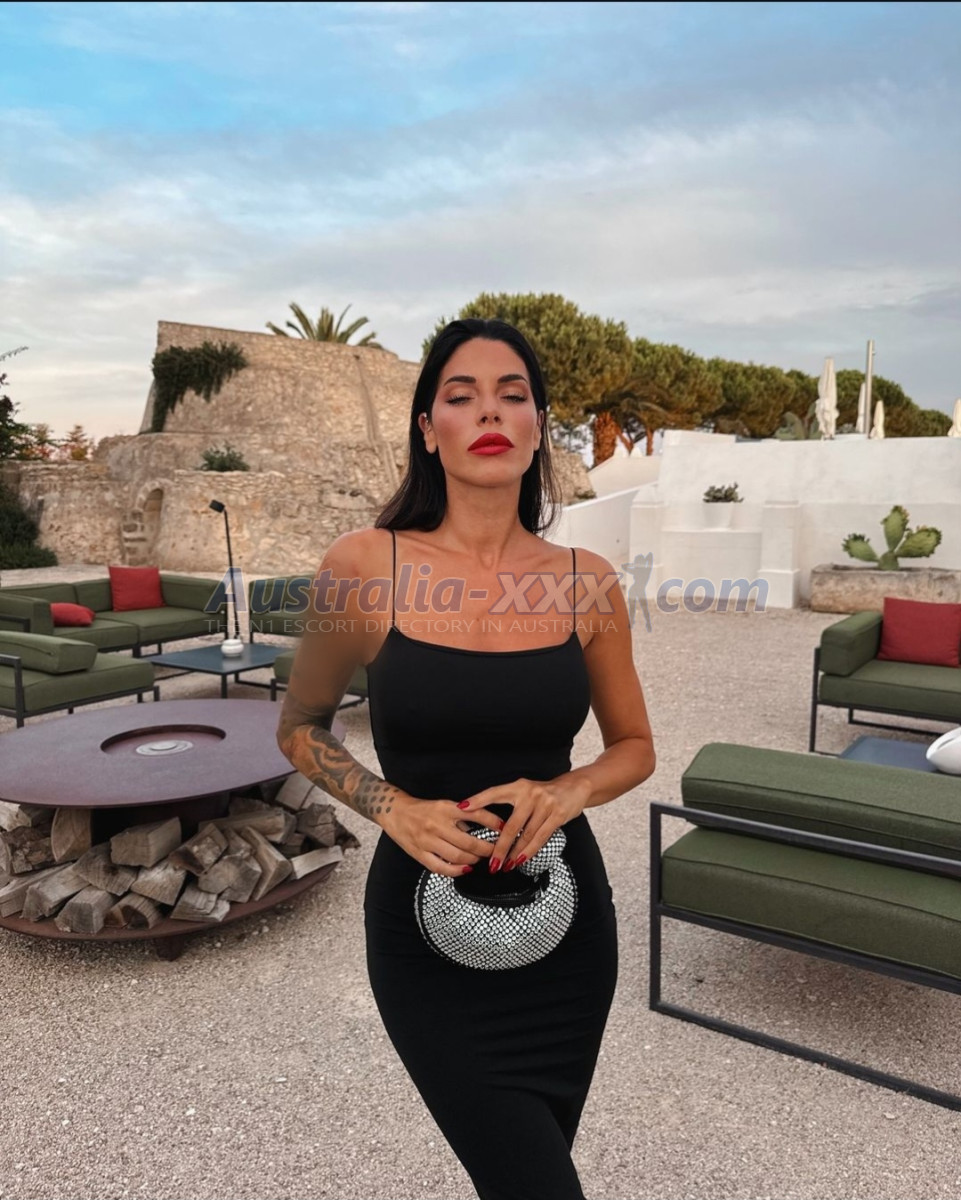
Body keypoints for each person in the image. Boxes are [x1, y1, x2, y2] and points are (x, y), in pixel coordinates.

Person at [276, 318, 655, 1200]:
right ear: (427, 428)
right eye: (461, 395)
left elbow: (634, 747)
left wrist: (567, 790)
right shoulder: (363, 564)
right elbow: (299, 726)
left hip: (566, 933)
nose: (489, 411)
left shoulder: (587, 580)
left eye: (512, 395)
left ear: (537, 427)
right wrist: (391, 807)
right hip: (421, 938)